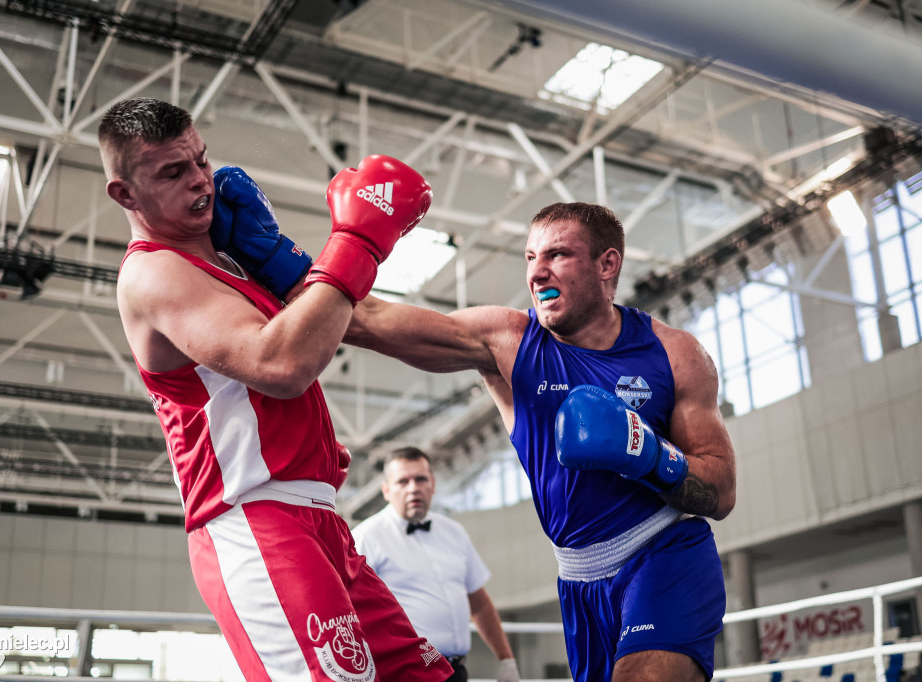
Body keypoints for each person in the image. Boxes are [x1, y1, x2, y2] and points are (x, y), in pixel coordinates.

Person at [213, 191, 737, 681]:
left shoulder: (674, 354)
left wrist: (649, 455)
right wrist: (269, 254)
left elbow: (722, 491)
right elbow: (364, 319)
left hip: (664, 552)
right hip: (579, 579)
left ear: (607, 264)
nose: (538, 272)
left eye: (557, 255)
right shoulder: (508, 340)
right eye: (530, 258)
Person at [101, 96, 454, 681]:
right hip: (254, 520)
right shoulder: (152, 272)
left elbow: (353, 321)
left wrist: (279, 260)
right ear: (125, 194)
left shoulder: (234, 265)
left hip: (320, 520)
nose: (200, 182)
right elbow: (283, 362)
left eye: (201, 161)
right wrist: (357, 241)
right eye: (172, 172)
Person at [352, 448, 521, 682]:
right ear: (387, 490)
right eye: (403, 481)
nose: (413, 488)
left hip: (456, 672)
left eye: (420, 479)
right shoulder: (364, 538)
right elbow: (349, 610)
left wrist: (506, 659)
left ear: (432, 484)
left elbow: (479, 603)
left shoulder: (454, 532)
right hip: (402, 674)